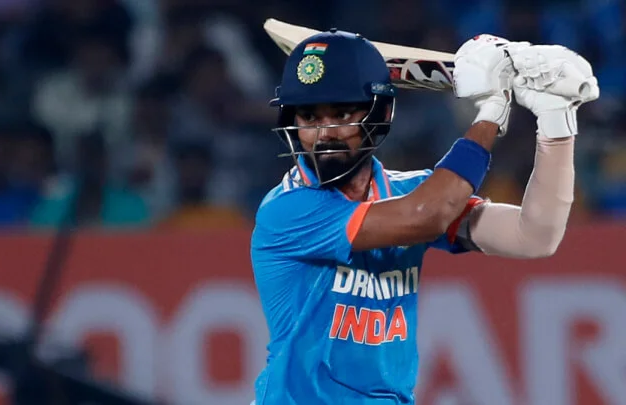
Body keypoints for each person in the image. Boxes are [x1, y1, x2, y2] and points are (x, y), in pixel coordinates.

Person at [249, 29, 599, 405]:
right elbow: (427, 214)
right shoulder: (287, 210)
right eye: (309, 116)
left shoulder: (409, 192)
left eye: (341, 113)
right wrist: (492, 110)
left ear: (379, 112)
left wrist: (556, 121)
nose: (324, 133)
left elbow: (534, 236)